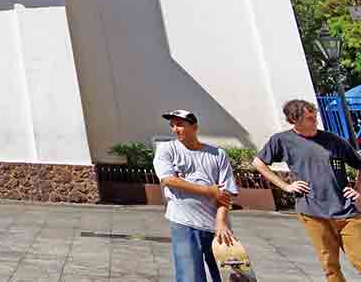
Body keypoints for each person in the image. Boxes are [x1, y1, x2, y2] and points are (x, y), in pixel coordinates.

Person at [253, 98, 361, 281]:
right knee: (330, 266)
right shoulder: (282, 140)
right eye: (310, 118)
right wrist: (286, 186)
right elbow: (258, 163)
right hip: (313, 212)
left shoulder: (333, 140)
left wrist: (359, 192)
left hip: (347, 212)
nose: (315, 121)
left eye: (315, 116)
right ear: (293, 121)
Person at [152, 110, 237, 282]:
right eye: (173, 125)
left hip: (217, 228)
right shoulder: (167, 149)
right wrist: (209, 191)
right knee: (189, 276)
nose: (176, 129)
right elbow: (168, 180)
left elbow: (226, 192)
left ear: (195, 127)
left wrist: (221, 222)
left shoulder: (218, 154)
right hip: (185, 223)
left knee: (220, 276)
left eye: (180, 124)